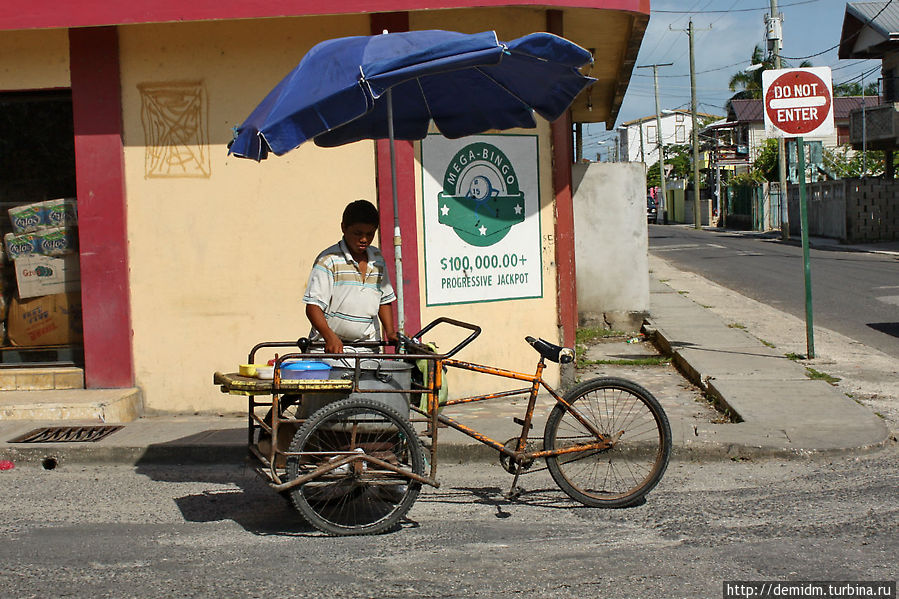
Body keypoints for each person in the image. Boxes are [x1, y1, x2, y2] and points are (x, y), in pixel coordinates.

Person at [303, 199, 398, 352]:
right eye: (358, 233)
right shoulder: (328, 260)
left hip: (367, 349)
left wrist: (390, 331)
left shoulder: (378, 258)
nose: (364, 239)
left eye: (370, 234)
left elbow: (384, 299)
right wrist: (330, 337)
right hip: (329, 350)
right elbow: (313, 307)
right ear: (343, 228)